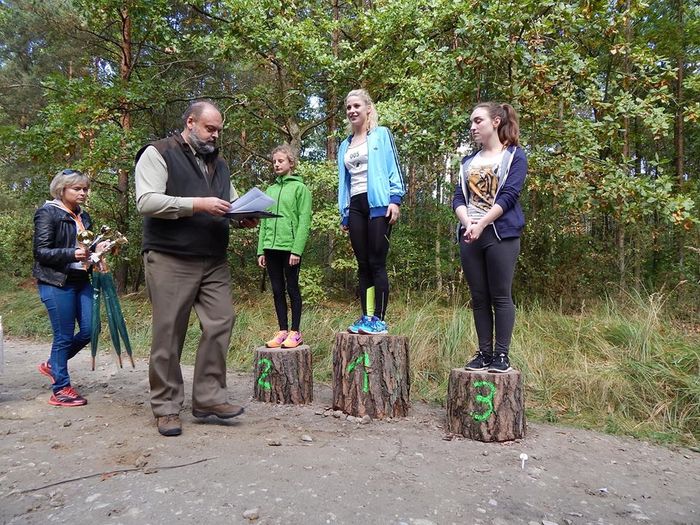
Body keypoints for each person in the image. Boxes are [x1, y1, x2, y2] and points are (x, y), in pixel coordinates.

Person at [135, 99, 258, 437]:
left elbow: (230, 203)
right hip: (170, 256)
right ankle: (166, 407)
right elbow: (146, 201)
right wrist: (198, 205)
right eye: (209, 129)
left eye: (218, 130)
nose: (215, 135)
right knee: (169, 332)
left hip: (213, 258)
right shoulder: (159, 153)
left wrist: (243, 216)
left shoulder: (220, 163)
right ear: (190, 122)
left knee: (221, 321)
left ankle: (208, 399)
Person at [452, 102, 527, 373]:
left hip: (500, 234)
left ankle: (501, 356)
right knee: (479, 297)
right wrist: (468, 224)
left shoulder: (514, 156)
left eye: (478, 121)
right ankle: (484, 353)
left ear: (496, 122)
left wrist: (482, 223)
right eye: (471, 122)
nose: (472, 127)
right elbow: (458, 198)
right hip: (470, 235)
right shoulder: (467, 162)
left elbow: (509, 196)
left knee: (500, 296)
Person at [33, 169, 104, 406]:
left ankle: (53, 364)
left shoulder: (84, 216)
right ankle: (61, 389)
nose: (83, 193)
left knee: (91, 329)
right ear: (61, 190)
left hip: (81, 279)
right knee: (63, 335)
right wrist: (71, 253)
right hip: (55, 281)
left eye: (85, 189)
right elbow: (41, 252)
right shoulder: (48, 213)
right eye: (77, 188)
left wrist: (98, 251)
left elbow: (86, 249)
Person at [337, 89, 405, 335]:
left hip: (379, 203)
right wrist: (344, 212)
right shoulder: (344, 145)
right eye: (348, 107)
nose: (352, 111)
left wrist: (395, 200)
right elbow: (343, 182)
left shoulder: (381, 135)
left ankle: (379, 319)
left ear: (368, 108)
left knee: (377, 262)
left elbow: (393, 167)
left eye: (356, 106)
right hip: (355, 206)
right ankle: (366, 316)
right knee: (362, 264)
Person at [257, 144, 312, 349]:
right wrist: (261, 250)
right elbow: (264, 220)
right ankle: (282, 330)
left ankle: (295, 332)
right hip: (270, 247)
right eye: (274, 161)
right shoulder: (270, 190)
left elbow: (304, 221)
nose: (277, 164)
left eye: (281, 161)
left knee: (292, 288)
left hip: (290, 248)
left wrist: (297, 250)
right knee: (277, 290)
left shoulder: (300, 189)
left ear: (291, 163)